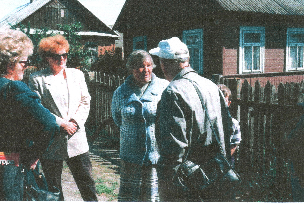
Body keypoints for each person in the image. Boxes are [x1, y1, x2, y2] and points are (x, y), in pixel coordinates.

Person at [150, 37, 234, 202]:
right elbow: (227, 127)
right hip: (214, 173)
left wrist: (167, 185)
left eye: (161, 62)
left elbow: (173, 147)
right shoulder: (211, 85)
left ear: (165, 63)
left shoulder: (172, 92)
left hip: (187, 181)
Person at [0, 29, 60, 201]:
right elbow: (50, 124)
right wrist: (33, 156)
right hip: (9, 165)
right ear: (10, 63)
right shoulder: (14, 89)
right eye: (24, 62)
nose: (26, 66)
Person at [28, 34, 98, 201]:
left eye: (64, 55)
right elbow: (38, 109)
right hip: (52, 140)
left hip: (77, 138)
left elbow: (85, 101)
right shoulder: (37, 79)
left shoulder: (77, 75)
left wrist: (75, 122)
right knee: (54, 188)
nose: (61, 59)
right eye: (56, 56)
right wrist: (61, 123)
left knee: (87, 184)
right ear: (46, 57)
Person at [111, 50, 169, 202]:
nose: (146, 70)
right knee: (130, 197)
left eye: (149, 65)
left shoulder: (164, 88)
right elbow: (117, 119)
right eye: (140, 67)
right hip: (130, 155)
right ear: (131, 69)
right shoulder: (121, 92)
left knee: (151, 197)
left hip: (154, 154)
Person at [217, 84, 241, 168]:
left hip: (226, 161)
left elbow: (234, 144)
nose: (220, 104)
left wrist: (224, 159)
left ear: (229, 103)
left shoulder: (233, 123)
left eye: (224, 101)